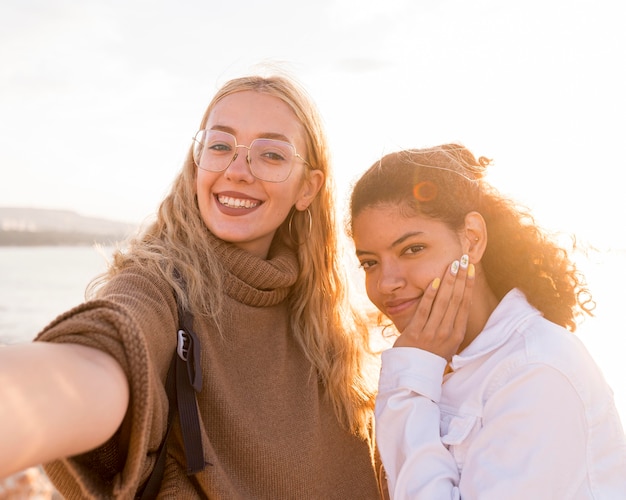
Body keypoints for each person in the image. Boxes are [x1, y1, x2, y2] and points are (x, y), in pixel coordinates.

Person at [0, 74, 385, 498]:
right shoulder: (159, 284)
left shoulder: (335, 320)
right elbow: (103, 352)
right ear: (197, 162)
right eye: (220, 146)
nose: (237, 171)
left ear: (308, 188)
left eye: (271, 155)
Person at [347, 144, 626, 499]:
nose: (387, 283)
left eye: (412, 249)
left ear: (473, 240)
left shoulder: (536, 370)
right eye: (370, 262)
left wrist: (408, 391)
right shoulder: (436, 363)